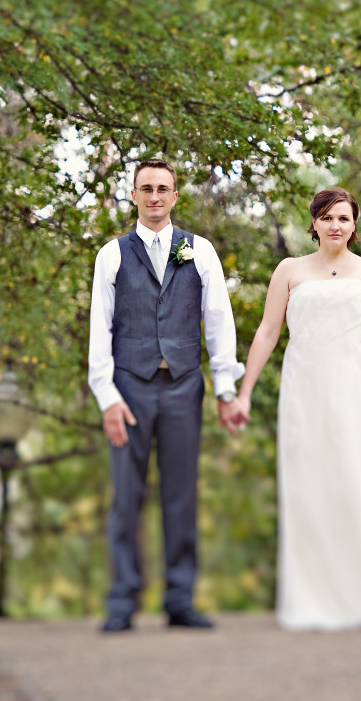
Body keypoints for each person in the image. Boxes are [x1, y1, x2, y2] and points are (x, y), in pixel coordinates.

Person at [235, 187, 361, 630]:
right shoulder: (289, 270)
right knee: (308, 486)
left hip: (356, 391)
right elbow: (268, 332)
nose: (335, 226)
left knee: (357, 487)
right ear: (314, 224)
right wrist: (245, 392)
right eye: (327, 218)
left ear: (354, 226)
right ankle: (312, 598)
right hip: (303, 389)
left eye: (343, 218)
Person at [88, 159, 245, 632]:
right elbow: (100, 329)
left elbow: (218, 322)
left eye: (163, 189)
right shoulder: (111, 255)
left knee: (181, 495)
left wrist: (226, 389)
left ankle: (180, 599)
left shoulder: (202, 252)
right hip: (130, 387)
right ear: (133, 195)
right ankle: (122, 602)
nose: (155, 196)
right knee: (126, 497)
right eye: (146, 189)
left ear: (175, 196)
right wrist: (107, 396)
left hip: (182, 385)